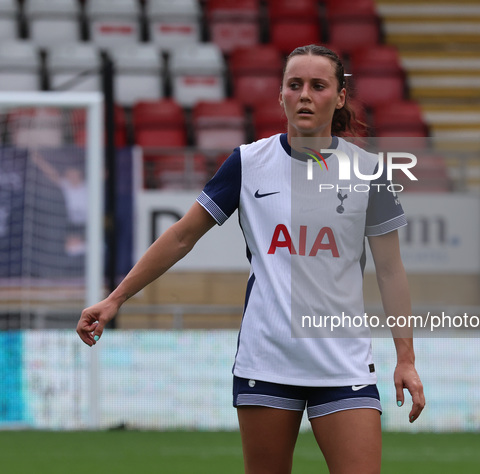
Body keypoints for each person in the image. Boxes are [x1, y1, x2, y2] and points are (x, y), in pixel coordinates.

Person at [76, 44, 425, 473]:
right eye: (294, 84)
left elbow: (391, 272)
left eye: (318, 86)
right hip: (267, 359)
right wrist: (115, 299)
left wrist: (405, 359)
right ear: (280, 95)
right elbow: (182, 236)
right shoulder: (248, 162)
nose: (304, 95)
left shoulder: (370, 172)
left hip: (343, 363)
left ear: (339, 98)